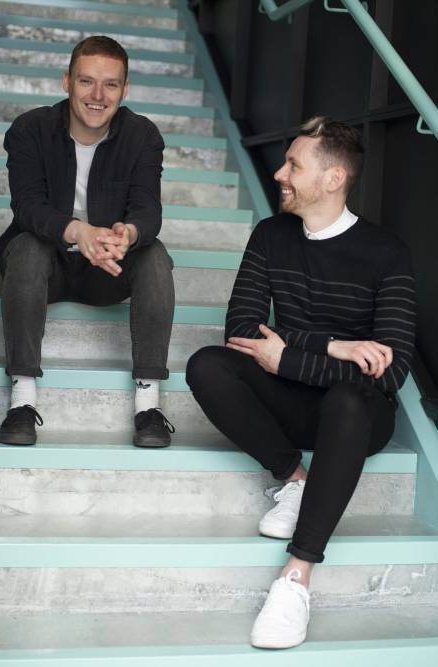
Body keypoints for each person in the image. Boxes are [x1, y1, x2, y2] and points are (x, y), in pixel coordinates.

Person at [186, 116, 415, 648]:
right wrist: (333, 346)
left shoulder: (387, 253)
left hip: (358, 416)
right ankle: (294, 479)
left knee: (351, 397)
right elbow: (242, 334)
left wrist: (287, 356)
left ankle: (297, 576)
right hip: (291, 401)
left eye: (294, 165)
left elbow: (391, 372)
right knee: (208, 365)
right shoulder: (271, 235)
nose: (279, 173)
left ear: (333, 179)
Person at [0, 36, 175, 448]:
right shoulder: (30, 129)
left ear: (124, 90)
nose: (98, 95)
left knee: (155, 256)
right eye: (86, 82)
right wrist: (80, 232)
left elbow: (148, 211)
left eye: (110, 84)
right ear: (66, 82)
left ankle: (149, 406)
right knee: (26, 245)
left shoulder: (142, 135)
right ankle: (21, 401)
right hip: (46, 265)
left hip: (106, 270)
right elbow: (27, 207)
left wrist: (125, 235)